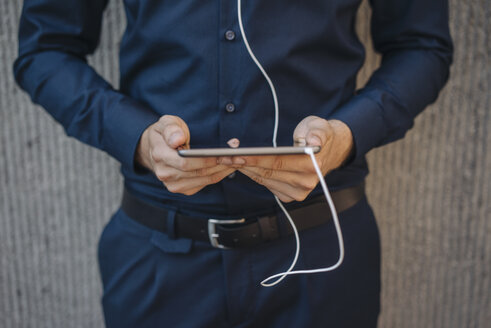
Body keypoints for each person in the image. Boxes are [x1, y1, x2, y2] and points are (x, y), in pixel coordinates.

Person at [14, 0, 452, 327]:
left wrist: (348, 135)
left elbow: (420, 45)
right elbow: (46, 48)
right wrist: (138, 140)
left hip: (322, 258)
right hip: (158, 259)